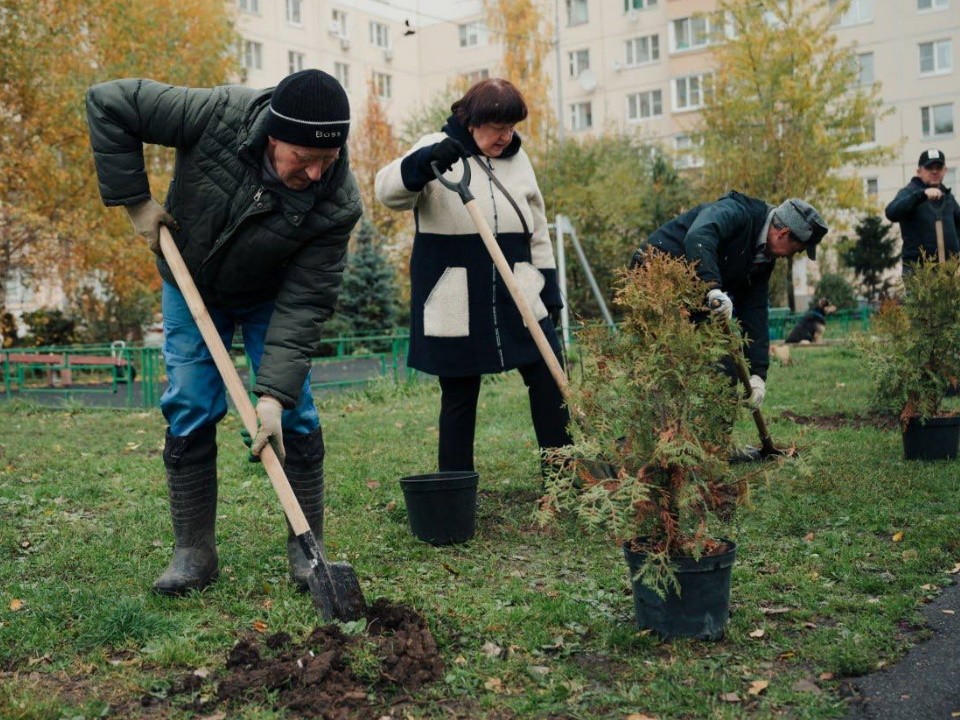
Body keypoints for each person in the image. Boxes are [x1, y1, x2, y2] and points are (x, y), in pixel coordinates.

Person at [86, 69, 362, 596]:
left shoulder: (338, 202)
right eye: (302, 157)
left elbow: (305, 303)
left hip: (272, 295)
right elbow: (109, 101)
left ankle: (308, 551)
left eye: (326, 161)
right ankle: (194, 551)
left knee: (296, 408)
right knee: (190, 400)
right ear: (272, 135)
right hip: (189, 277)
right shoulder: (217, 114)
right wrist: (136, 201)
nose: (314, 173)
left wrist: (273, 397)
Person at [374, 78, 571, 473]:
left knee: (549, 375)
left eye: (512, 127)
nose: (506, 136)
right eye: (497, 127)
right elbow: (387, 191)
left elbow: (537, 226)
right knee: (460, 391)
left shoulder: (520, 159)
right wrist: (426, 161)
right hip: (456, 290)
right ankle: (456, 485)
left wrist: (548, 292)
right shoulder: (434, 144)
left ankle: (563, 476)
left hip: (518, 288)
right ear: (471, 121)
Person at [631, 192, 828, 407]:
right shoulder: (736, 211)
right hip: (656, 273)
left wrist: (758, 375)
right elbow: (699, 237)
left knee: (725, 369)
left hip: (697, 292)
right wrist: (713, 288)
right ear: (783, 233)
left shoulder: (763, 258)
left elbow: (755, 309)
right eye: (796, 250)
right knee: (668, 363)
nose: (791, 256)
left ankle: (714, 439)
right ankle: (654, 435)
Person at [884, 149, 960, 270]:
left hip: (949, 272)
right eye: (929, 167)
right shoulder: (910, 192)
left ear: (944, 171)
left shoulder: (947, 197)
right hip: (920, 274)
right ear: (919, 172)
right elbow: (891, 212)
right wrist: (922, 195)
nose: (934, 171)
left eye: (939, 167)